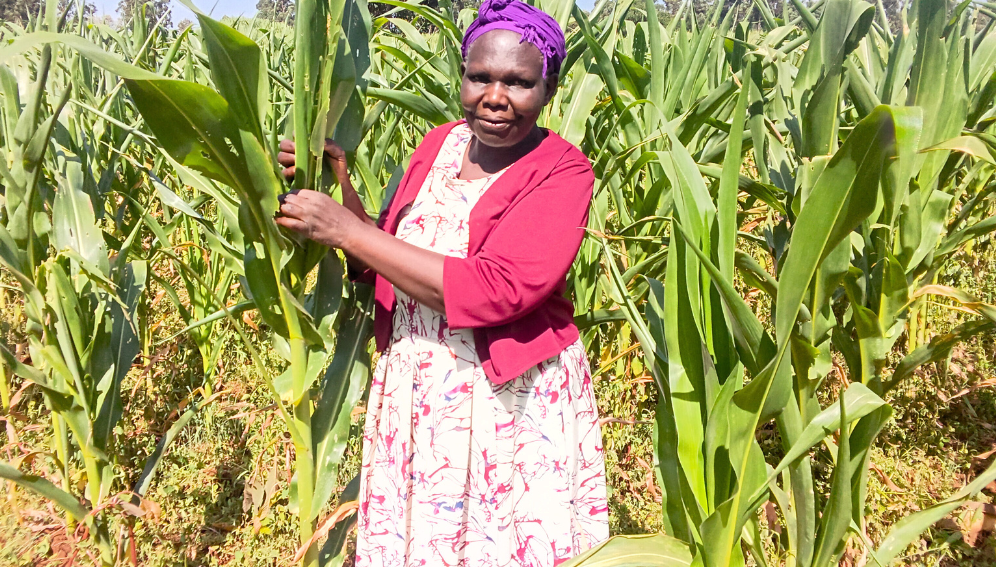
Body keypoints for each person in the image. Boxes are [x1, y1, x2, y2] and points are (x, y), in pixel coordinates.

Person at [275, 0, 608, 564]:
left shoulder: (562, 170)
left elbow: (497, 290)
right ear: (463, 77)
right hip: (420, 391)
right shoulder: (441, 143)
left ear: (548, 90)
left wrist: (347, 233)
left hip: (505, 400)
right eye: (480, 77)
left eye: (520, 82)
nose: (495, 97)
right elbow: (385, 254)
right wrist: (336, 190)